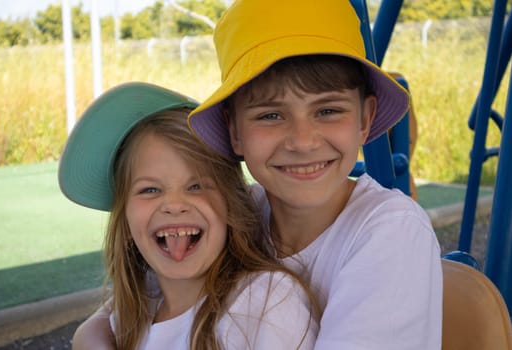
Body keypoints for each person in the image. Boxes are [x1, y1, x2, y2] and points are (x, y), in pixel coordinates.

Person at [75, 0, 443, 348]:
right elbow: (138, 297)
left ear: (364, 120)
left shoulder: (391, 231)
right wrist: (90, 336)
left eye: (327, 110)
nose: (302, 141)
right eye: (271, 115)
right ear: (235, 131)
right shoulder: (241, 211)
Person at [58, 82, 319, 349]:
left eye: (195, 186)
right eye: (149, 189)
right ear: (124, 221)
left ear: (232, 204)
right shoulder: (126, 319)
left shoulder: (266, 302)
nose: (173, 205)